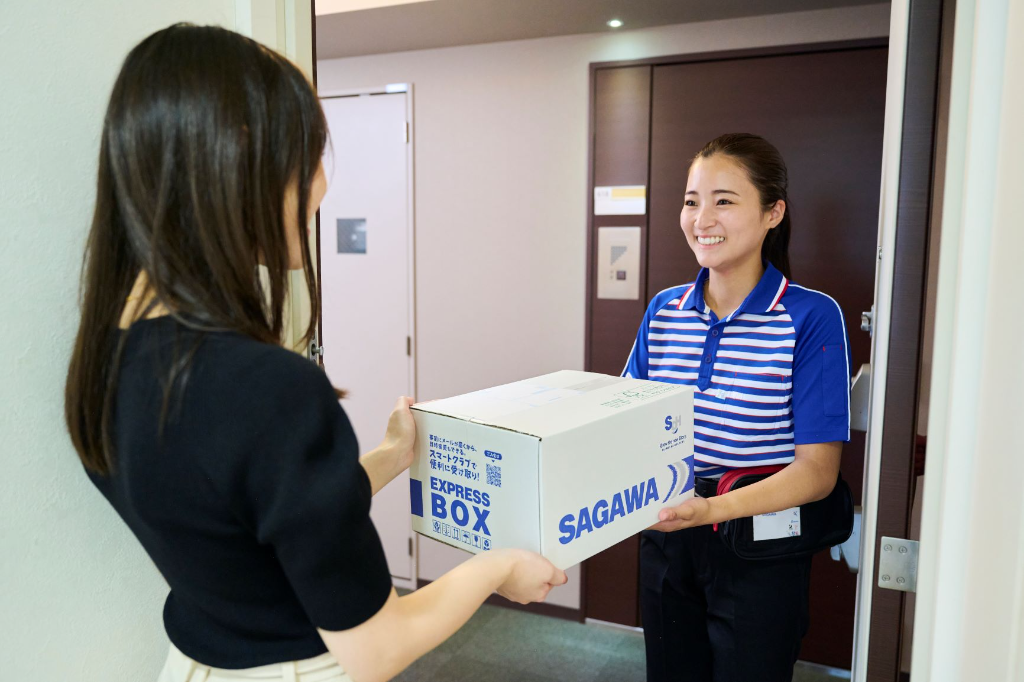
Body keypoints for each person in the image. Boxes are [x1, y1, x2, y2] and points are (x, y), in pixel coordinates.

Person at [64, 24, 565, 682]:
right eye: (308, 156)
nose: (323, 186)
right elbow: (379, 647)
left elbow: (258, 520)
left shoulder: (107, 361)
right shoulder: (265, 385)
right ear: (238, 156)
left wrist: (390, 457)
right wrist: (499, 567)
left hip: (193, 665)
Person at [622, 133, 852, 682]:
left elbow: (817, 473)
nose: (702, 217)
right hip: (670, 527)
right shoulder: (664, 310)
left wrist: (711, 512)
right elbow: (624, 420)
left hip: (757, 543)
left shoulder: (811, 317)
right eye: (692, 200)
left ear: (773, 212)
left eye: (724, 200)